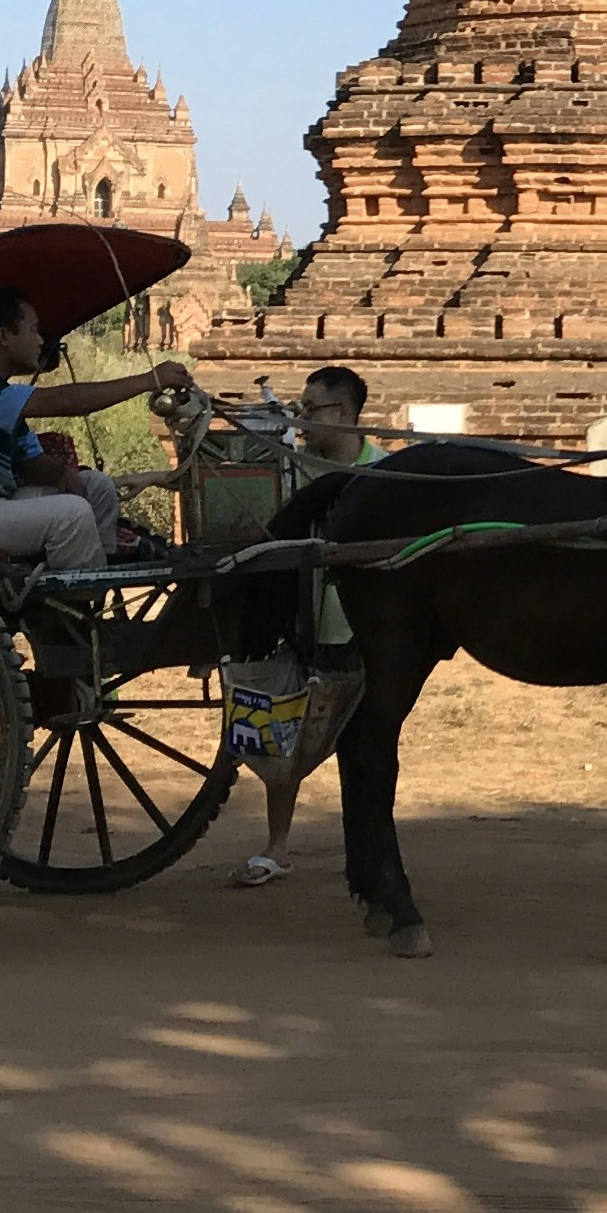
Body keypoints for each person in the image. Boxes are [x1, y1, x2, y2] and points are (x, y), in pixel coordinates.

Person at [0, 285, 192, 571]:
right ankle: (80, 598)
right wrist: (147, 380)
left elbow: (28, 460)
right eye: (33, 330)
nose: (40, 340)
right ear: (5, 336)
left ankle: (103, 567)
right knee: (72, 514)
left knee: (97, 487)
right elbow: (60, 401)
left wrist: (61, 474)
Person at [234, 365, 380, 889]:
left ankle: (365, 849)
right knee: (286, 730)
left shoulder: (387, 475)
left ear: (343, 415)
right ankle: (277, 846)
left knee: (365, 743)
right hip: (297, 625)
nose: (301, 417)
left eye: (310, 408)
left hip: (361, 631)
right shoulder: (290, 470)